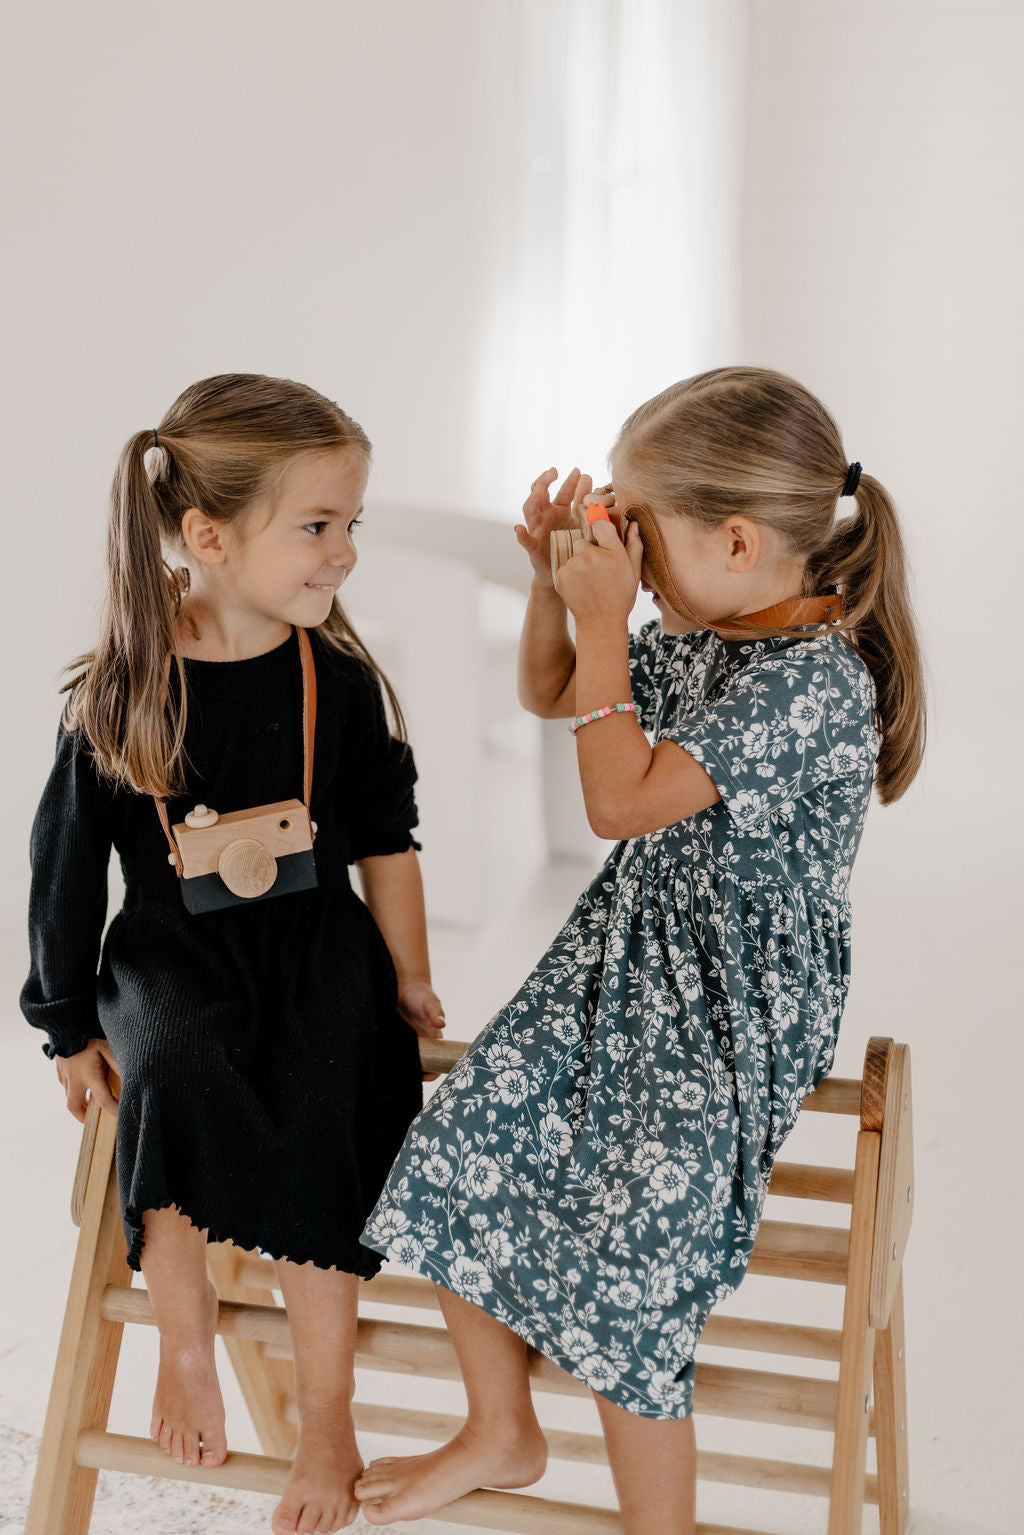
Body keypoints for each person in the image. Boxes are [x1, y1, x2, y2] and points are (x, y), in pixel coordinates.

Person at [355, 366, 925, 1534]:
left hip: (725, 1003)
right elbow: (554, 684)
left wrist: (612, 618)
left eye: (644, 538)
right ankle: (499, 1428)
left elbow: (618, 802)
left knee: (632, 1274)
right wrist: (548, 587)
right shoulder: (707, 626)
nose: (637, 568)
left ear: (734, 539)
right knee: (455, 1145)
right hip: (622, 954)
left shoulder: (815, 683)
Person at [21, 373, 446, 1535]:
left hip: (313, 944)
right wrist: (67, 1024)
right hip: (173, 955)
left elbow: (388, 843)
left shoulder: (339, 683)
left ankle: (325, 1409)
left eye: (351, 523)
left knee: (327, 1085)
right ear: (207, 535)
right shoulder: (123, 693)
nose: (344, 551)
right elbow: (62, 874)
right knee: (176, 1071)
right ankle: (188, 1340)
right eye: (318, 525)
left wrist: (406, 975)